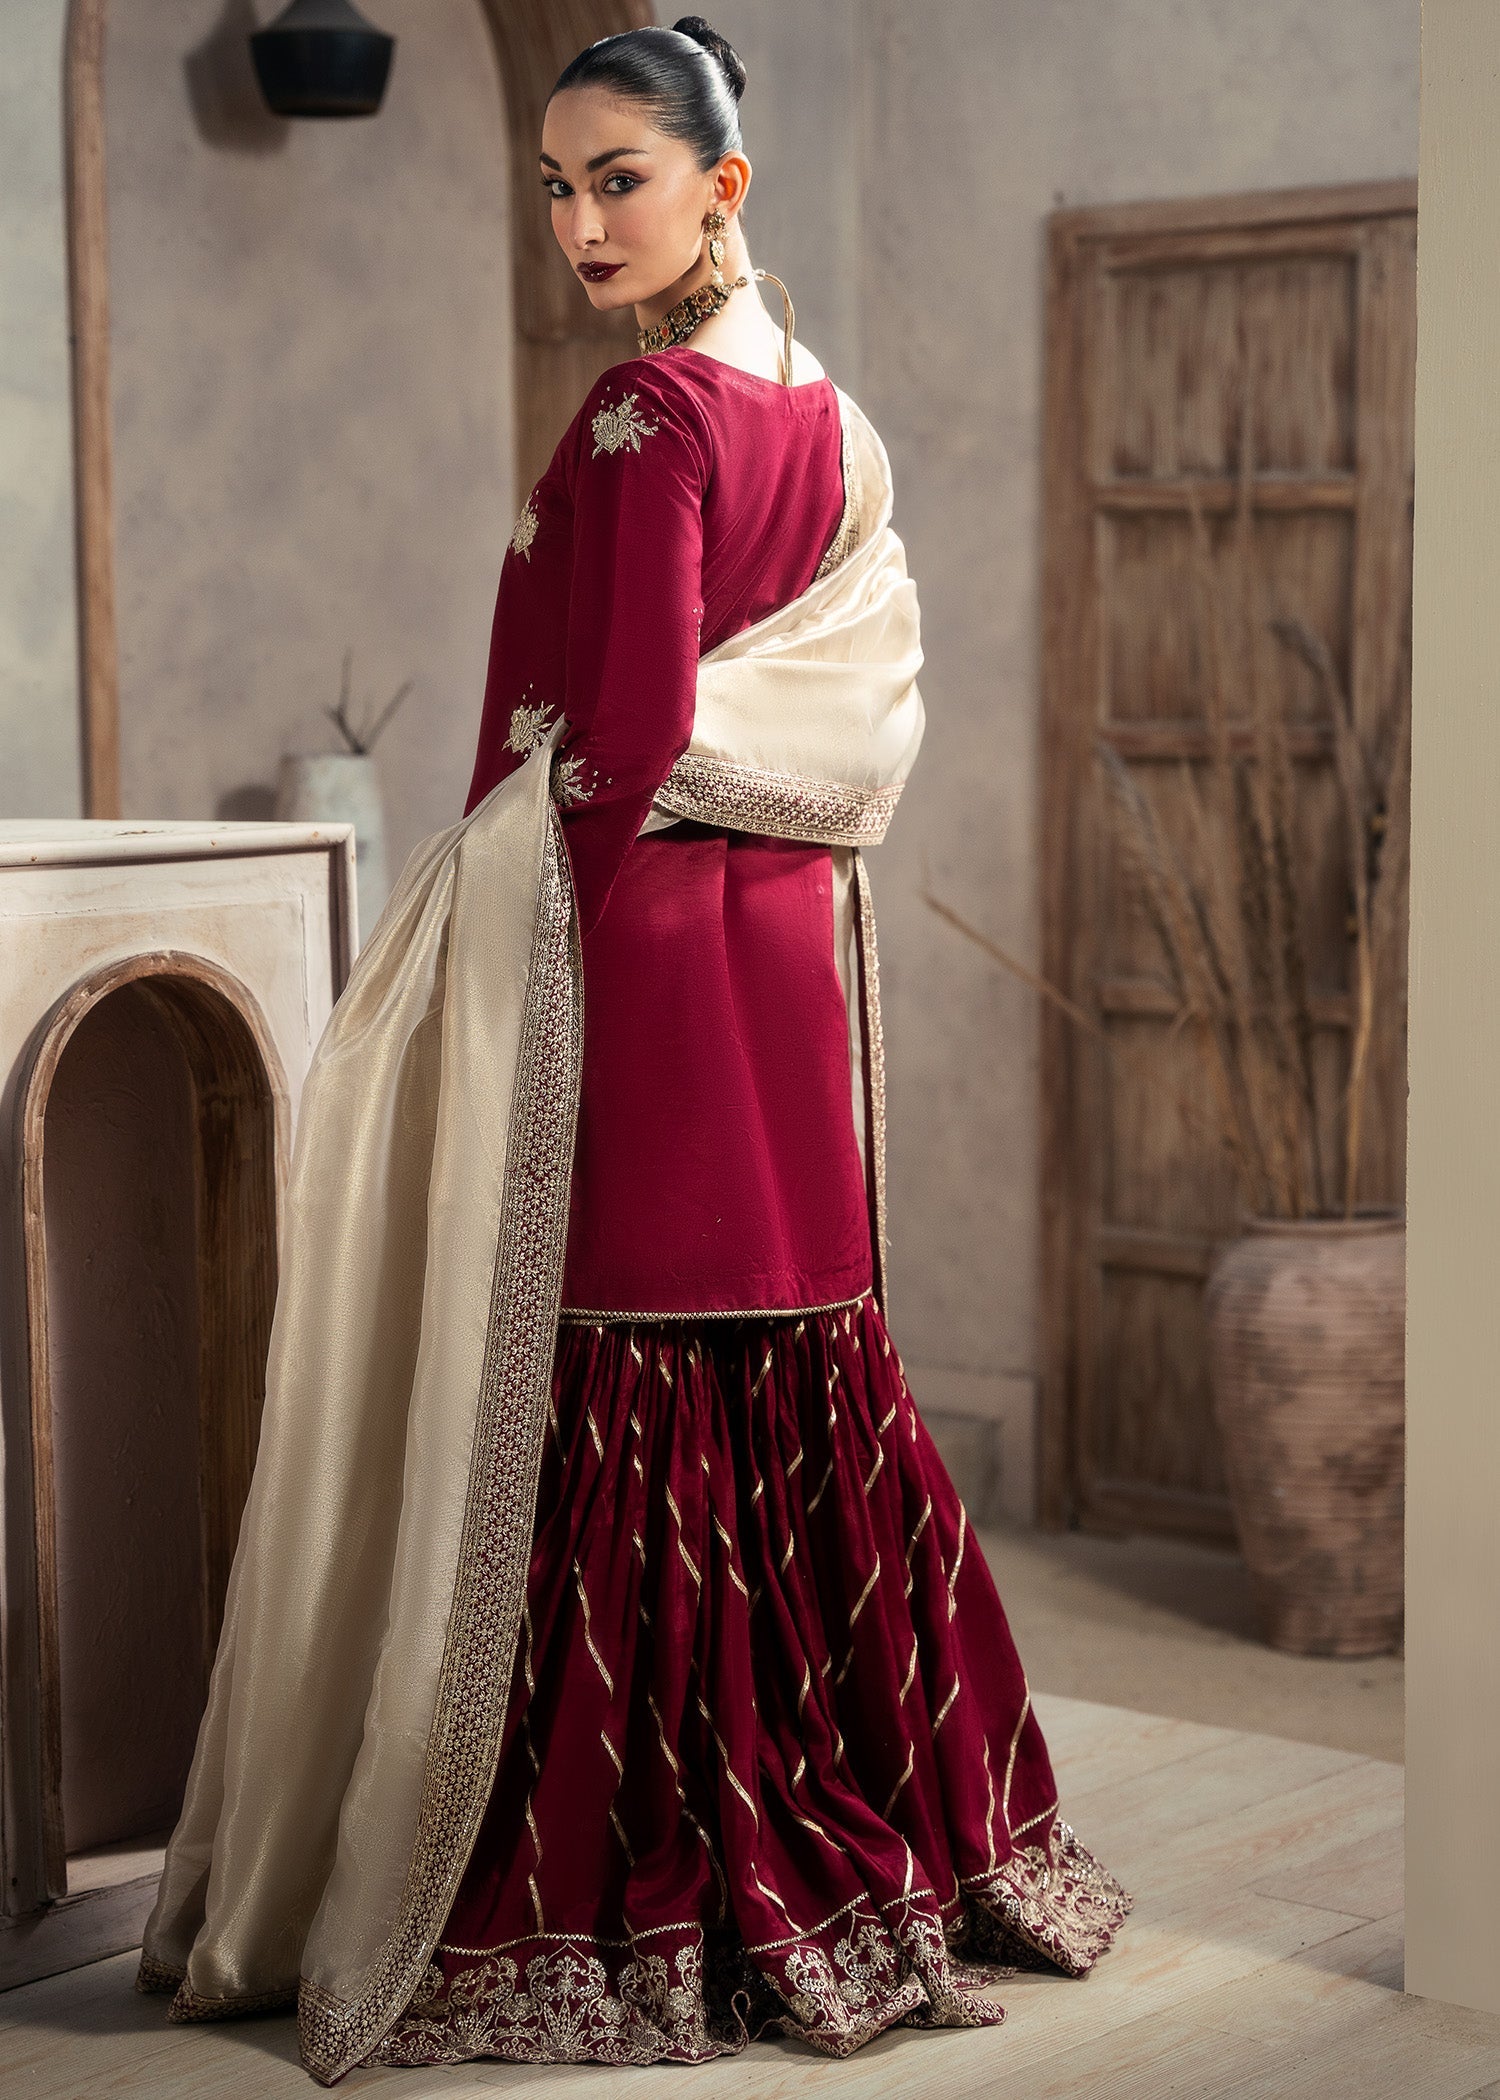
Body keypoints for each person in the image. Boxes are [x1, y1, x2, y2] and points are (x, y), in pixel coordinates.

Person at [138, 20, 1128, 2082]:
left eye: (621, 179)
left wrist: (503, 913)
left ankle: (624, 1866)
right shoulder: (834, 427)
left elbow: (630, 730)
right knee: (789, 1333)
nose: (582, 223)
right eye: (556, 187)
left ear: (720, 186)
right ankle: (897, 1837)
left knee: (615, 1349)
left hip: (642, 945)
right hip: (788, 944)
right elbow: (869, 715)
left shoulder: (647, 415)